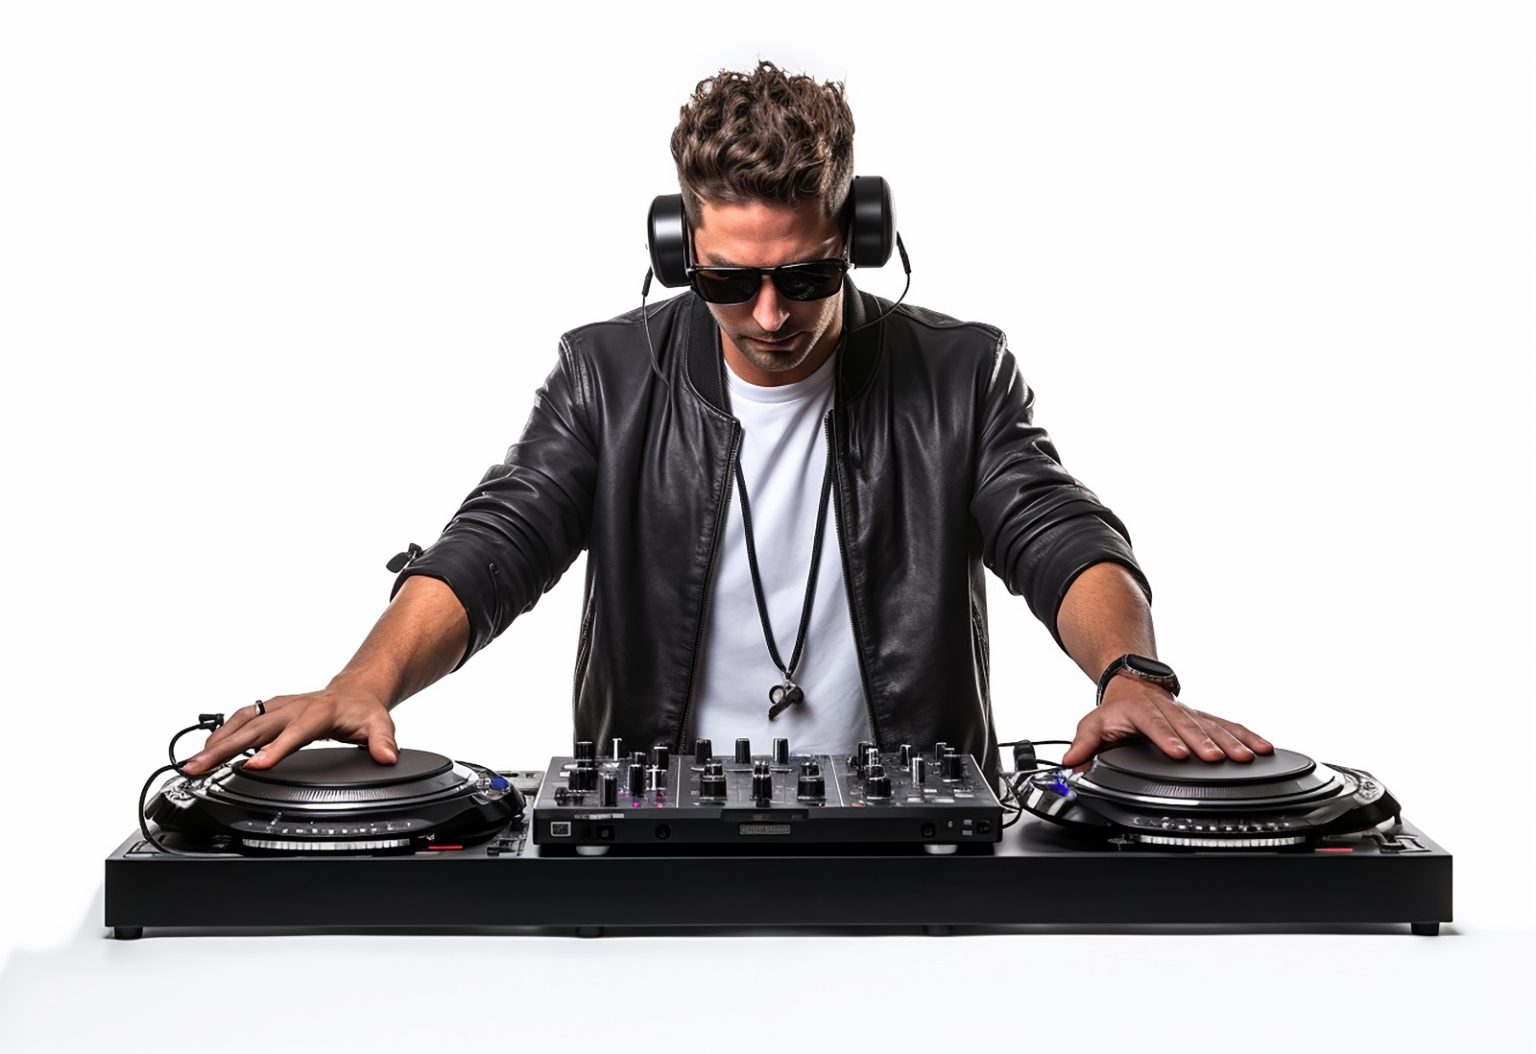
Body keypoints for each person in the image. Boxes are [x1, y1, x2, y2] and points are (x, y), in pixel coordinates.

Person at [183, 61, 1272, 787]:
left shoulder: (959, 373)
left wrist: (1131, 674)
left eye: (805, 276)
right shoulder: (606, 376)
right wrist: (364, 680)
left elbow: (1059, 533)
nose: (768, 316)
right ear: (677, 249)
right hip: (659, 849)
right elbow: (499, 537)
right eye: (727, 281)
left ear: (859, 234)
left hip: (911, 857)